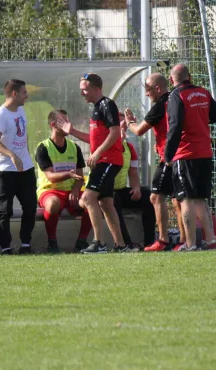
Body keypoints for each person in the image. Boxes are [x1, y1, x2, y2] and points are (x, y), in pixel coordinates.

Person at [58, 73, 129, 253]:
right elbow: (93, 139)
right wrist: (72, 131)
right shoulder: (96, 108)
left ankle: (99, 243)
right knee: (105, 203)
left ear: (97, 88)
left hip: (108, 161)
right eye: (81, 89)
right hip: (103, 161)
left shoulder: (107, 104)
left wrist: (97, 154)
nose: (82, 93)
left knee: (88, 198)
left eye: (85, 89)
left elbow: (114, 133)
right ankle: (120, 245)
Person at [164, 64, 216, 251]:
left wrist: (168, 154)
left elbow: (174, 126)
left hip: (185, 153)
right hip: (205, 152)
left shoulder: (176, 95)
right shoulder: (203, 93)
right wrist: (199, 119)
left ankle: (190, 244)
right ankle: (211, 240)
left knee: (186, 199)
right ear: (189, 76)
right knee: (200, 198)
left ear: (171, 80)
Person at [124, 72, 182, 251]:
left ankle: (163, 240)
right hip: (180, 156)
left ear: (158, 88)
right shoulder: (175, 100)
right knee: (177, 200)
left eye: (148, 90)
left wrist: (129, 123)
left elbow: (140, 130)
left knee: (156, 196)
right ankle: (184, 241)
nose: (147, 94)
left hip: (168, 158)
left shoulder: (160, 105)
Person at [35, 110, 92, 253]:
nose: (69, 124)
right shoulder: (43, 147)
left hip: (71, 191)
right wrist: (68, 174)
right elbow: (50, 176)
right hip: (50, 190)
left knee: (92, 201)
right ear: (53, 125)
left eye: (68, 120)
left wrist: (74, 189)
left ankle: (81, 242)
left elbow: (80, 176)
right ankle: (52, 243)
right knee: (52, 204)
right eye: (64, 121)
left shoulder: (74, 146)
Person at [0, 79, 37, 255]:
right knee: (5, 209)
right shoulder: (0, 115)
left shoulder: (21, 110)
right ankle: (6, 247)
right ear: (14, 94)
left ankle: (25, 244)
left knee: (30, 206)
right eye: (24, 92)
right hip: (5, 169)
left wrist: (23, 157)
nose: (27, 95)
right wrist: (11, 155)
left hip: (26, 167)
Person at [113, 114, 156, 249]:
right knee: (112, 200)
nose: (123, 125)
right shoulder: (104, 145)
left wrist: (136, 188)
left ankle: (150, 243)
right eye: (119, 122)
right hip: (104, 192)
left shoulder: (129, 148)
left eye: (123, 122)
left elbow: (133, 173)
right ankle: (126, 244)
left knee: (148, 195)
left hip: (120, 189)